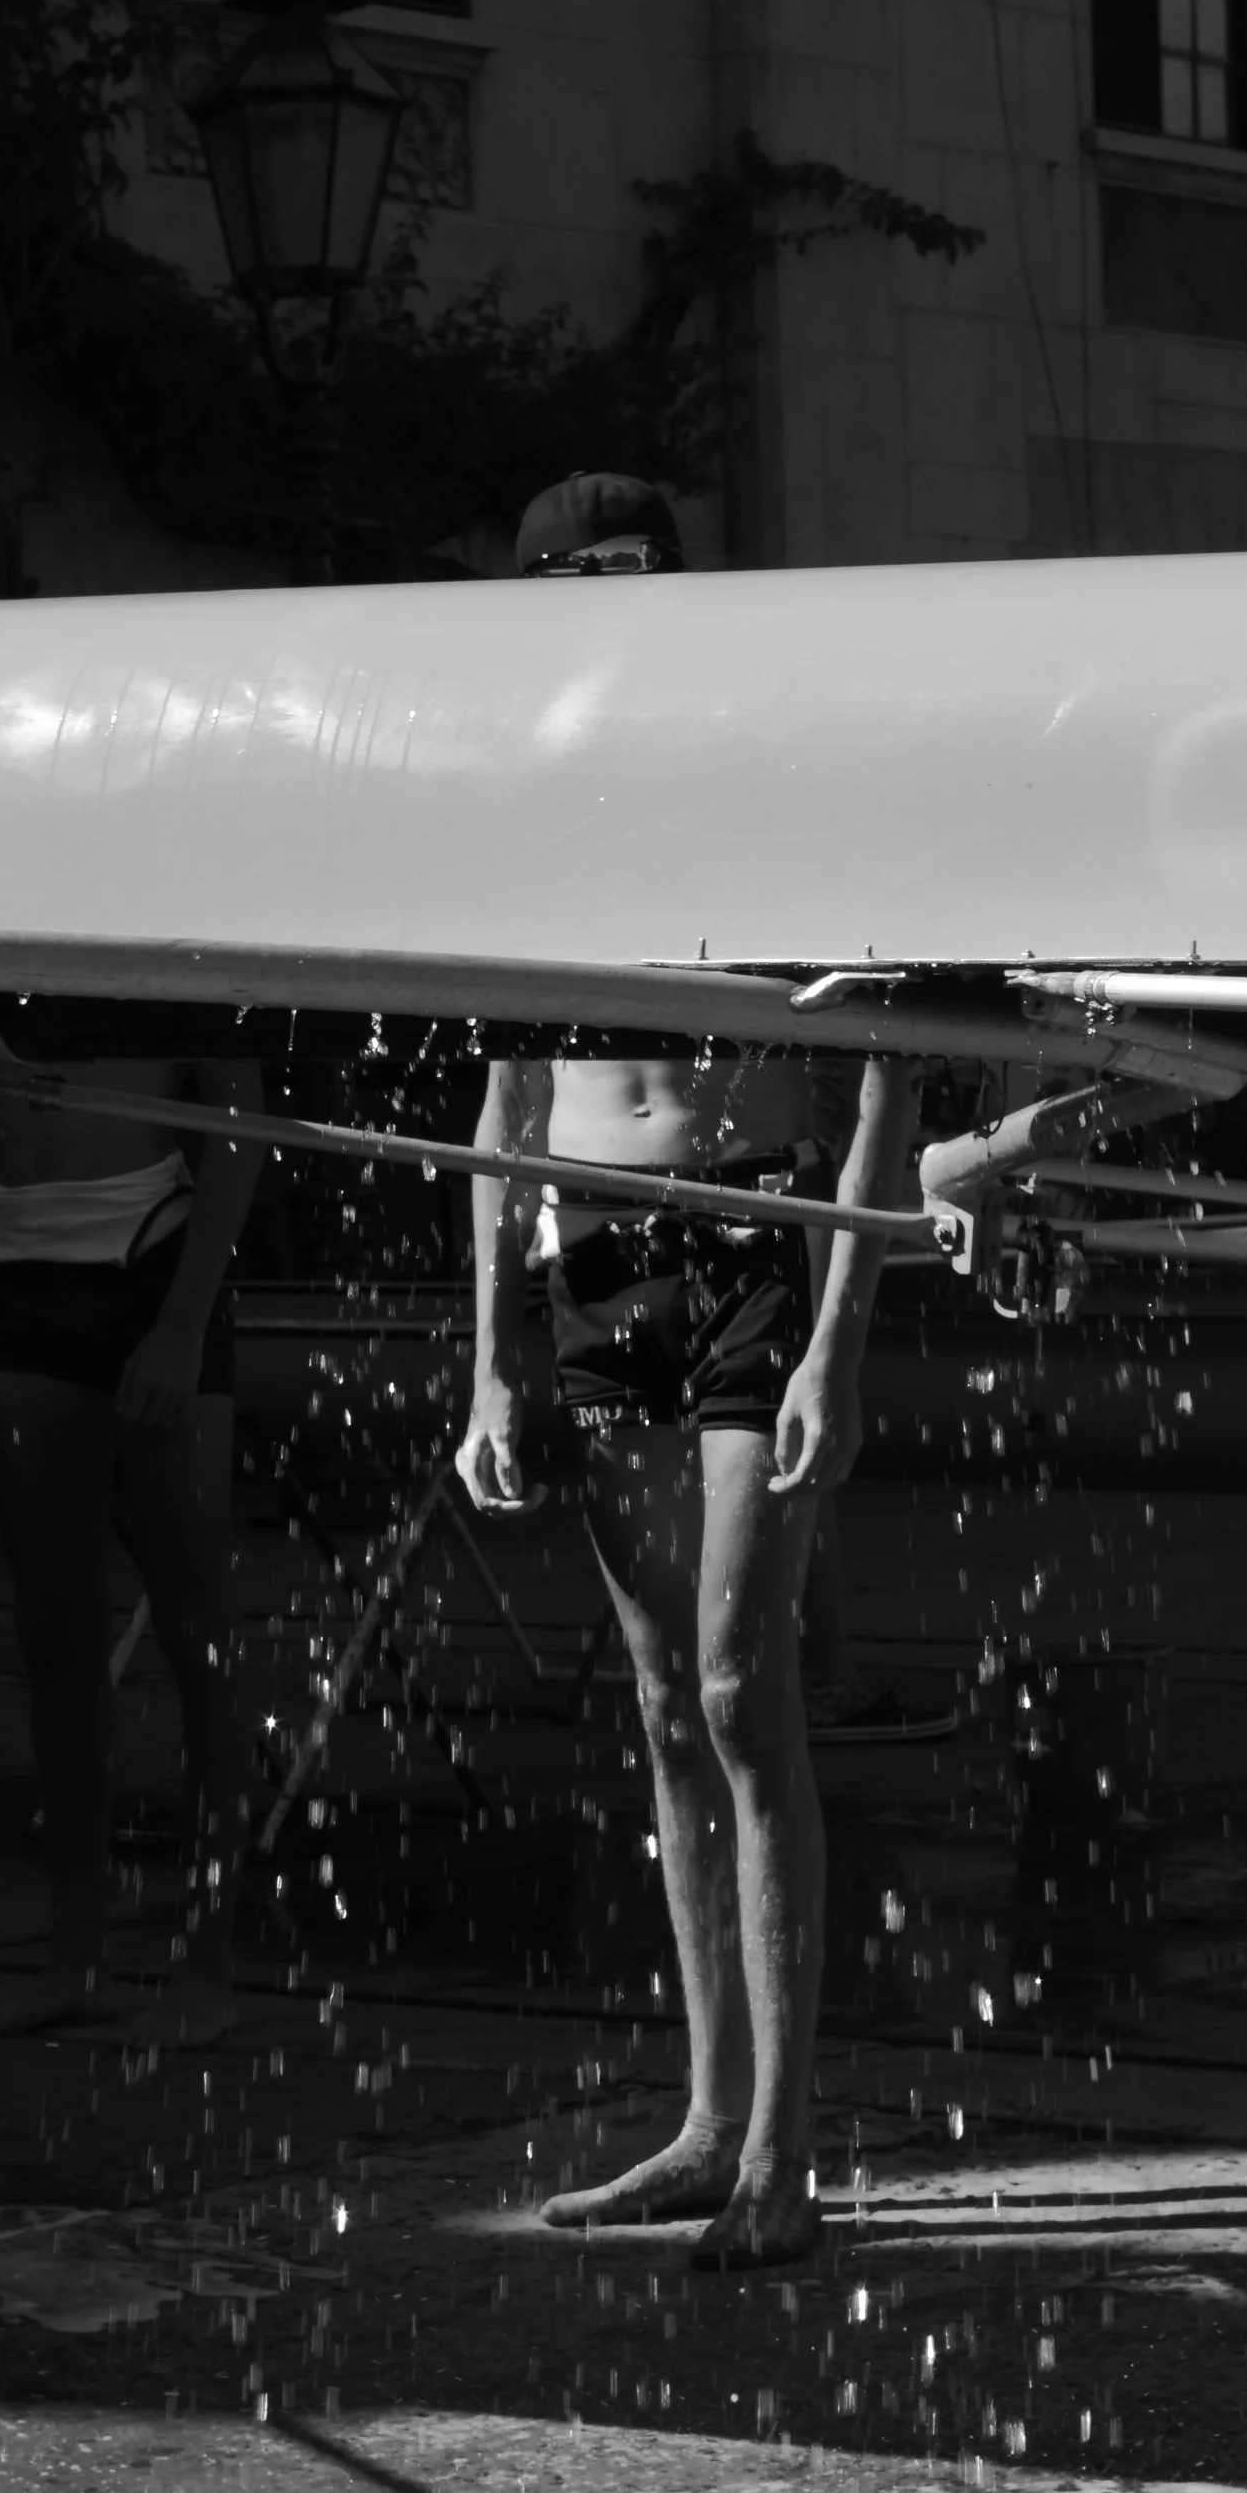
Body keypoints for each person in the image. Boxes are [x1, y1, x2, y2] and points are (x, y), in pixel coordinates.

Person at [459, 476, 913, 2267]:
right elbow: (500, 1118)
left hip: (746, 1247)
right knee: (659, 1709)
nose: (599, 612)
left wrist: (838, 1334)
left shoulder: (768, 771)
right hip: (594, 1274)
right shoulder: (536, 820)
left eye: (628, 580)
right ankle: (711, 2116)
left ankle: (784, 2150)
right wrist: (494, 1360)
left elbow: (891, 1065)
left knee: (739, 1691)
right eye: (564, 586)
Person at [0, 1013, 267, 2042]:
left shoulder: (157, 926)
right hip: (18, 1278)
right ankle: (77, 1956)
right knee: (55, 1630)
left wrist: (186, 1322)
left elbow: (240, 1120)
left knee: (199, 1629)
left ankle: (207, 1961)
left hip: (147, 1255)